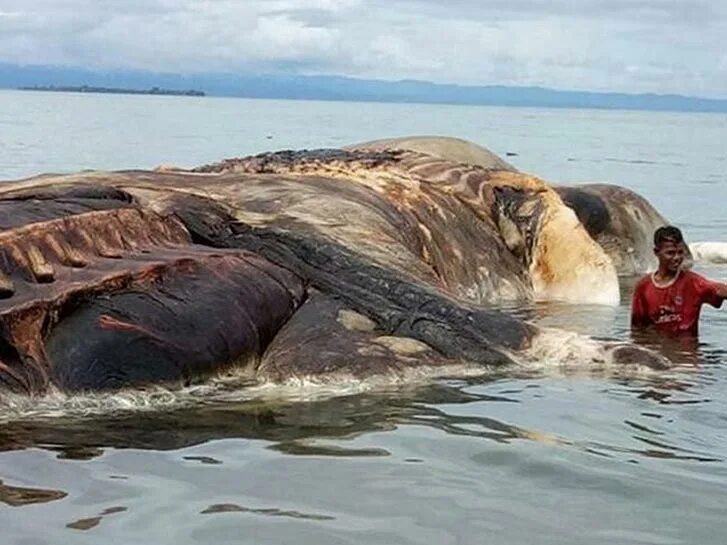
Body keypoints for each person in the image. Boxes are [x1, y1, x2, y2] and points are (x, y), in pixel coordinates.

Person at [631, 226, 727, 336]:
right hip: (656, 349)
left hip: (686, 350)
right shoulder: (643, 287)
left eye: (680, 252)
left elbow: (719, 290)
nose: (677, 258)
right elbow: (637, 330)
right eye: (670, 253)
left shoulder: (693, 283)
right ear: (656, 252)